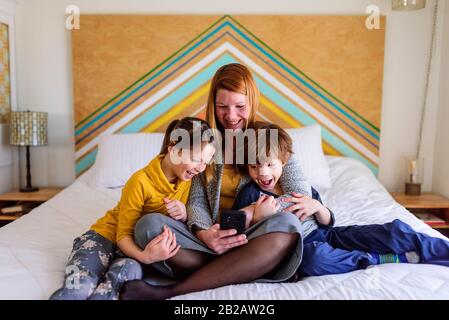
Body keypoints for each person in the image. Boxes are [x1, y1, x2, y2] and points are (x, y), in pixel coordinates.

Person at [120, 63, 312, 300]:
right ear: (213, 105)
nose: (231, 116)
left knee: (287, 223)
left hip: (252, 237)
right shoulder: (204, 142)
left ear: (252, 102)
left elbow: (300, 196)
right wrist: (203, 234)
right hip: (207, 242)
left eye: (240, 106)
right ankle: (247, 267)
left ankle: (172, 291)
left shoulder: (269, 138)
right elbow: (196, 200)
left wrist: (254, 212)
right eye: (222, 107)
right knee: (147, 226)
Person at [234, 121, 449, 276]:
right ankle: (372, 258)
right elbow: (243, 241)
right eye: (254, 166)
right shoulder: (251, 194)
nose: (262, 173)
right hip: (300, 248)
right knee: (316, 259)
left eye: (270, 164)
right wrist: (257, 219)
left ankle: (439, 249)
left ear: (284, 161)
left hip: (328, 234)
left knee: (394, 231)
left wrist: (317, 207)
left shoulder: (299, 187)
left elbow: (328, 221)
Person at [50, 117, 215, 300]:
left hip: (134, 254)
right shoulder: (139, 181)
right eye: (196, 159)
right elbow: (122, 234)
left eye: (205, 162)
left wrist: (184, 214)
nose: (201, 168)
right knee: (80, 287)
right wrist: (146, 257)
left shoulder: (189, 180)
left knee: (112, 290)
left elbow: (178, 225)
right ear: (173, 149)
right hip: (106, 238)